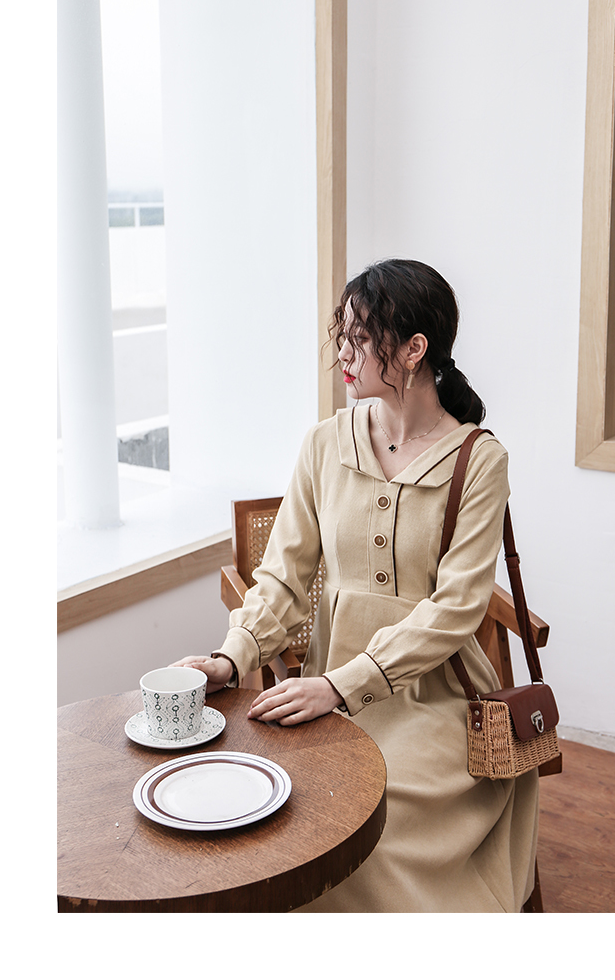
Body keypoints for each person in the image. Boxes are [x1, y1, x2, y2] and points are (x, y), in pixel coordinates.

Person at [171, 258, 538, 911]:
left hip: (435, 701)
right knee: (297, 814)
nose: (342, 352)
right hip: (323, 695)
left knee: (375, 824)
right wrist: (233, 655)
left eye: (360, 338)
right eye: (341, 335)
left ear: (415, 349)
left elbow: (457, 608)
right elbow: (283, 577)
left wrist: (344, 685)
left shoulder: (480, 460)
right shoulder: (323, 445)